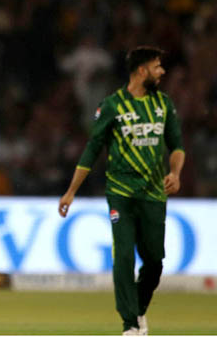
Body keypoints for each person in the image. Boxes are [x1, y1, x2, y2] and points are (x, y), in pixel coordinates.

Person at [59, 46, 185, 336]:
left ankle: (138, 310)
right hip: (121, 193)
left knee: (154, 262)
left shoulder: (163, 104)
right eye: (157, 66)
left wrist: (175, 173)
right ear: (141, 71)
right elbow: (92, 150)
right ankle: (129, 325)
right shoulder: (112, 106)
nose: (162, 71)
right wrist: (70, 192)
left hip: (154, 194)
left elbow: (176, 145)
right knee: (124, 257)